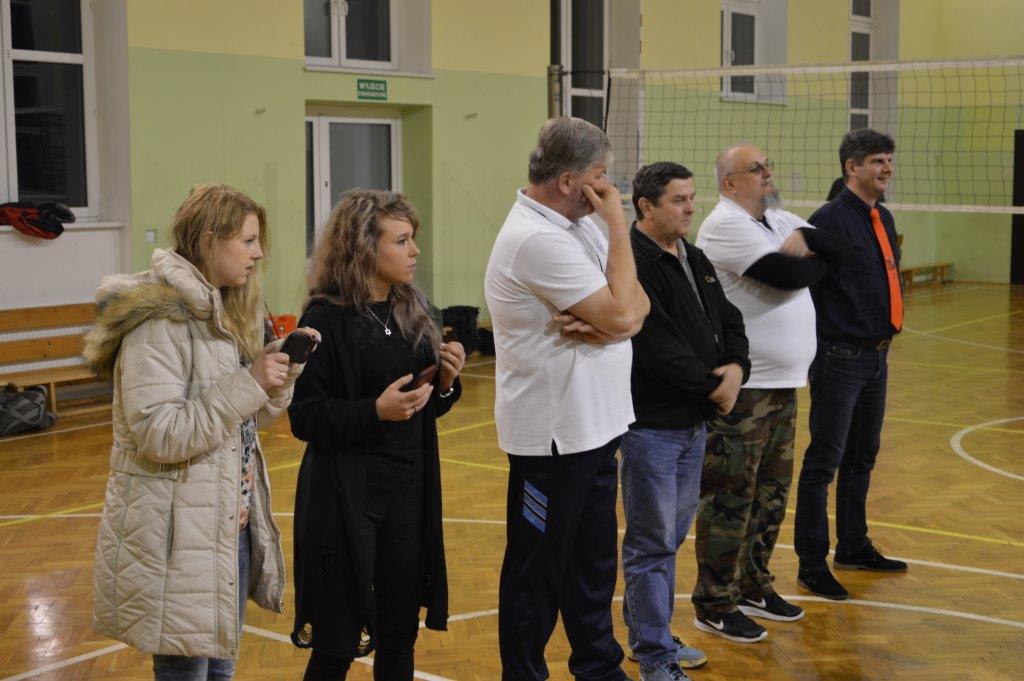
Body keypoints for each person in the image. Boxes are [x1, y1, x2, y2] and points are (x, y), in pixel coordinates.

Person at [86, 184, 318, 680]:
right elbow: (160, 434)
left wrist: (280, 374)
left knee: (219, 674)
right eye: (248, 241)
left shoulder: (224, 312)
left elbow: (247, 421)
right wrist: (249, 382)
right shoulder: (159, 322)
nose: (259, 253)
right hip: (178, 539)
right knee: (185, 675)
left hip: (226, 526)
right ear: (210, 239)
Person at [485, 117, 649, 681]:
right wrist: (620, 227)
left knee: (592, 566)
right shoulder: (537, 238)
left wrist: (614, 325)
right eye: (599, 176)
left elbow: (639, 304)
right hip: (552, 440)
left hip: (598, 427)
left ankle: (598, 668)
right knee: (537, 573)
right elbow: (624, 313)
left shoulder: (578, 225)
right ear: (566, 181)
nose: (607, 189)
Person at [288, 190, 465, 680]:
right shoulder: (324, 317)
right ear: (365, 247)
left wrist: (445, 383)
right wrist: (374, 412)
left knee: (399, 634)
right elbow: (305, 416)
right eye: (401, 241)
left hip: (406, 491)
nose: (415, 251)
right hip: (347, 498)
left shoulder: (413, 308)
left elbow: (421, 408)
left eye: (413, 240)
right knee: (336, 643)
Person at [693, 145, 850, 644]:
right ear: (729, 182)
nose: (767, 174)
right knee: (731, 495)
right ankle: (714, 602)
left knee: (771, 494)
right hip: (744, 388)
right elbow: (787, 276)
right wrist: (815, 260)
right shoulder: (724, 225)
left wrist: (812, 245)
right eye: (755, 169)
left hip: (784, 384)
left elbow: (843, 247)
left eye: (768, 166)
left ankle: (752, 584)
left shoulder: (780, 220)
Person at [621, 162, 749, 680]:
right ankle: (656, 658)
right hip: (652, 425)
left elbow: (730, 319)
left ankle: (649, 635)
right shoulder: (633, 261)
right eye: (679, 200)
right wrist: (712, 385)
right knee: (652, 543)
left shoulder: (693, 256)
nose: (691, 208)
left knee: (668, 538)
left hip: (693, 423)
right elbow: (653, 345)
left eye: (692, 198)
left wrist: (736, 368)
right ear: (645, 206)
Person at [794, 128, 908, 601]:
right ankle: (811, 564)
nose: (886, 168)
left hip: (877, 356)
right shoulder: (829, 220)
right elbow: (806, 288)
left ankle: (854, 546)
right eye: (877, 161)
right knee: (825, 461)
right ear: (852, 167)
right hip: (840, 358)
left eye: (888, 160)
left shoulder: (882, 215)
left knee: (863, 455)